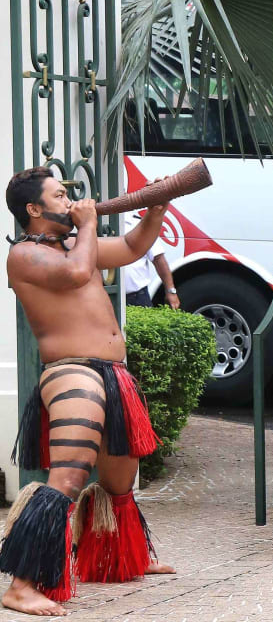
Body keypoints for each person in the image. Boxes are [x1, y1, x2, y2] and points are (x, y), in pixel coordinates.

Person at [3, 167, 174, 617]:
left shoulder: (75, 245)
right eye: (60, 196)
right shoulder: (23, 255)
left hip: (112, 373)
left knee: (120, 478)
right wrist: (90, 224)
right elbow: (78, 275)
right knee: (69, 478)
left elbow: (135, 247)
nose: (71, 201)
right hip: (70, 372)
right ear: (33, 209)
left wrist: (155, 211)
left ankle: (116, 558)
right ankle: (22, 585)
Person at [122, 214, 179, 309]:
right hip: (106, 296)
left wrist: (171, 291)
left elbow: (159, 259)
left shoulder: (139, 224)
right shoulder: (96, 224)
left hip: (137, 297)